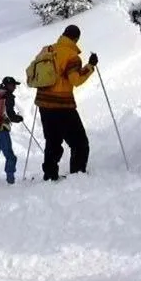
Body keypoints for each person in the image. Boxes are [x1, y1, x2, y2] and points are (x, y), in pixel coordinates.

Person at [35, 24, 97, 181]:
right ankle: (77, 175)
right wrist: (90, 67)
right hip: (62, 106)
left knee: (53, 141)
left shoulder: (47, 50)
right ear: (76, 39)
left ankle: (49, 175)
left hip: (43, 104)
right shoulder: (72, 56)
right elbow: (75, 80)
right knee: (79, 143)